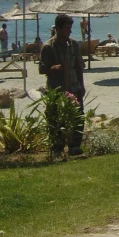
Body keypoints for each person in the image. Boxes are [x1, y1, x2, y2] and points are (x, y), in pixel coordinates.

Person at [38, 14, 86, 157]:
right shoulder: (48, 47)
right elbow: (42, 69)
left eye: (70, 28)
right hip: (56, 89)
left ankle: (75, 146)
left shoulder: (74, 45)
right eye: (67, 28)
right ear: (58, 29)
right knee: (55, 118)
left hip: (73, 87)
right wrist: (57, 68)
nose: (70, 31)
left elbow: (78, 67)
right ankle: (57, 148)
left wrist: (82, 86)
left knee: (77, 117)